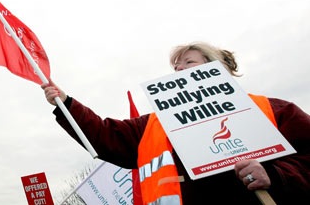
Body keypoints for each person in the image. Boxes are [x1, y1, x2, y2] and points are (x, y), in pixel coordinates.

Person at [42, 41, 310, 205]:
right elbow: (105, 136)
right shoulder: (156, 124)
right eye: (175, 67)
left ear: (216, 68)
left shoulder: (272, 110)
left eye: (188, 63)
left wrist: (276, 175)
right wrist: (66, 103)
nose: (179, 70)